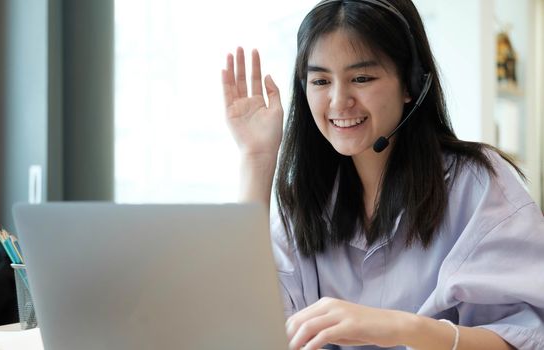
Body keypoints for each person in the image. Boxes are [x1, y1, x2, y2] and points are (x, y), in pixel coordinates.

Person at [221, 0, 544, 349]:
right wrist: (256, 157)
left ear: (410, 84)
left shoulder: (477, 183)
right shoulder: (307, 197)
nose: (338, 100)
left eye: (361, 78)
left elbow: (527, 337)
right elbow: (249, 327)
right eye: (320, 80)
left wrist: (398, 327)